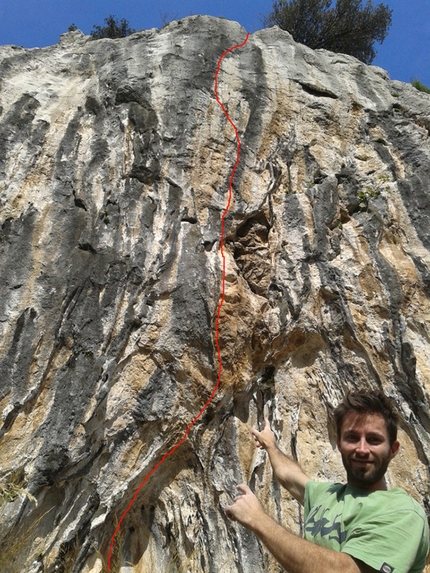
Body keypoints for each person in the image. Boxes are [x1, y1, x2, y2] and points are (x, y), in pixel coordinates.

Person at [225, 390, 429, 573]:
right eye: (352, 437)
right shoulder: (328, 495)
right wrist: (271, 445)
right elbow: (288, 475)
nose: (362, 449)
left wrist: (258, 520)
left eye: (374, 440)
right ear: (338, 443)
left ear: (393, 450)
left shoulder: (401, 513)